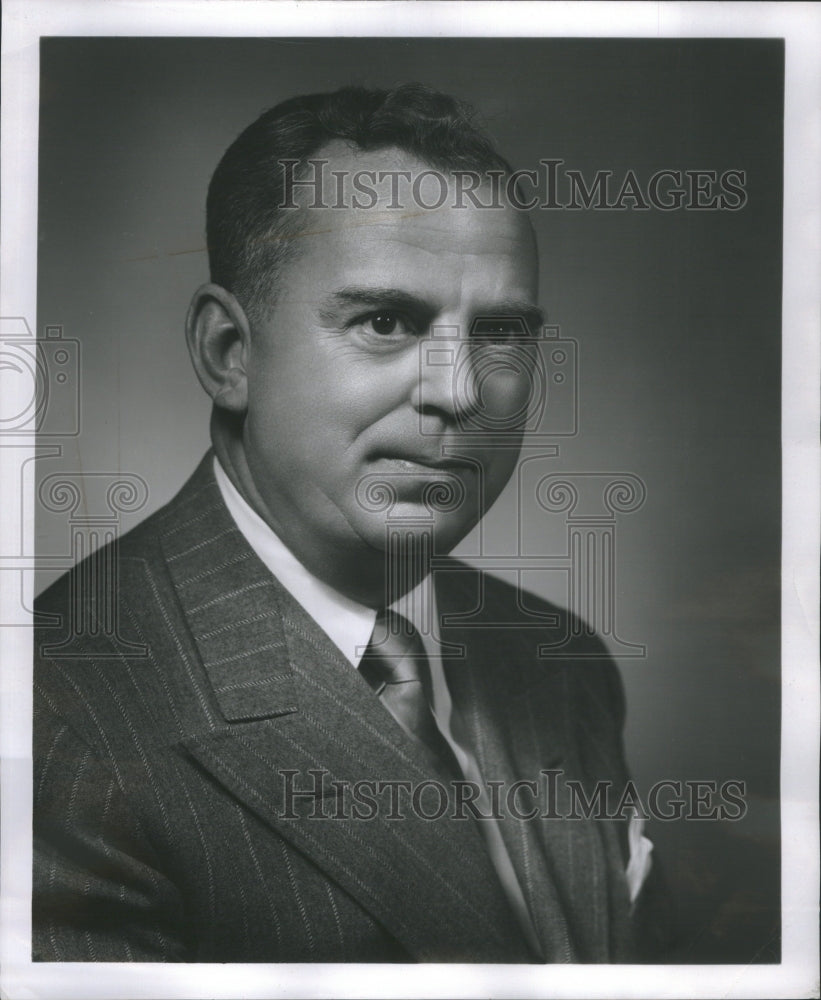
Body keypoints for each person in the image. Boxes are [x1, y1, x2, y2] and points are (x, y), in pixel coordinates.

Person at [33, 84, 669, 963]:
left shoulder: (561, 664)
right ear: (230, 353)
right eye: (384, 321)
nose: (456, 391)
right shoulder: (56, 720)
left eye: (500, 334)